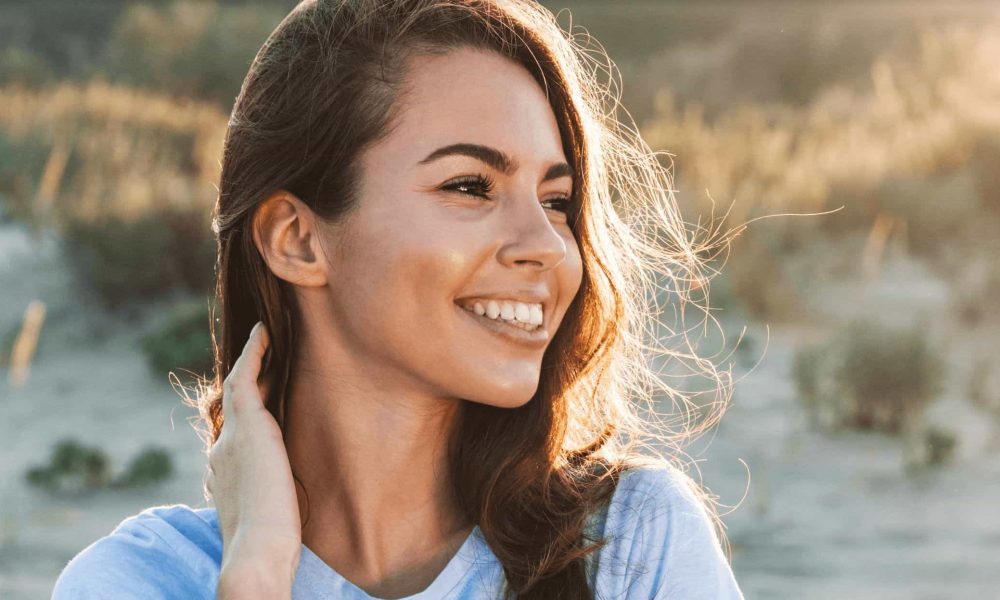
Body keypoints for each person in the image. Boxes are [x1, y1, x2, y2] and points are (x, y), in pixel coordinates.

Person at [53, 0, 745, 598]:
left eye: (558, 200)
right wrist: (258, 572)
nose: (549, 245)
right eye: (471, 186)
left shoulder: (630, 546)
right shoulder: (142, 582)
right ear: (296, 240)